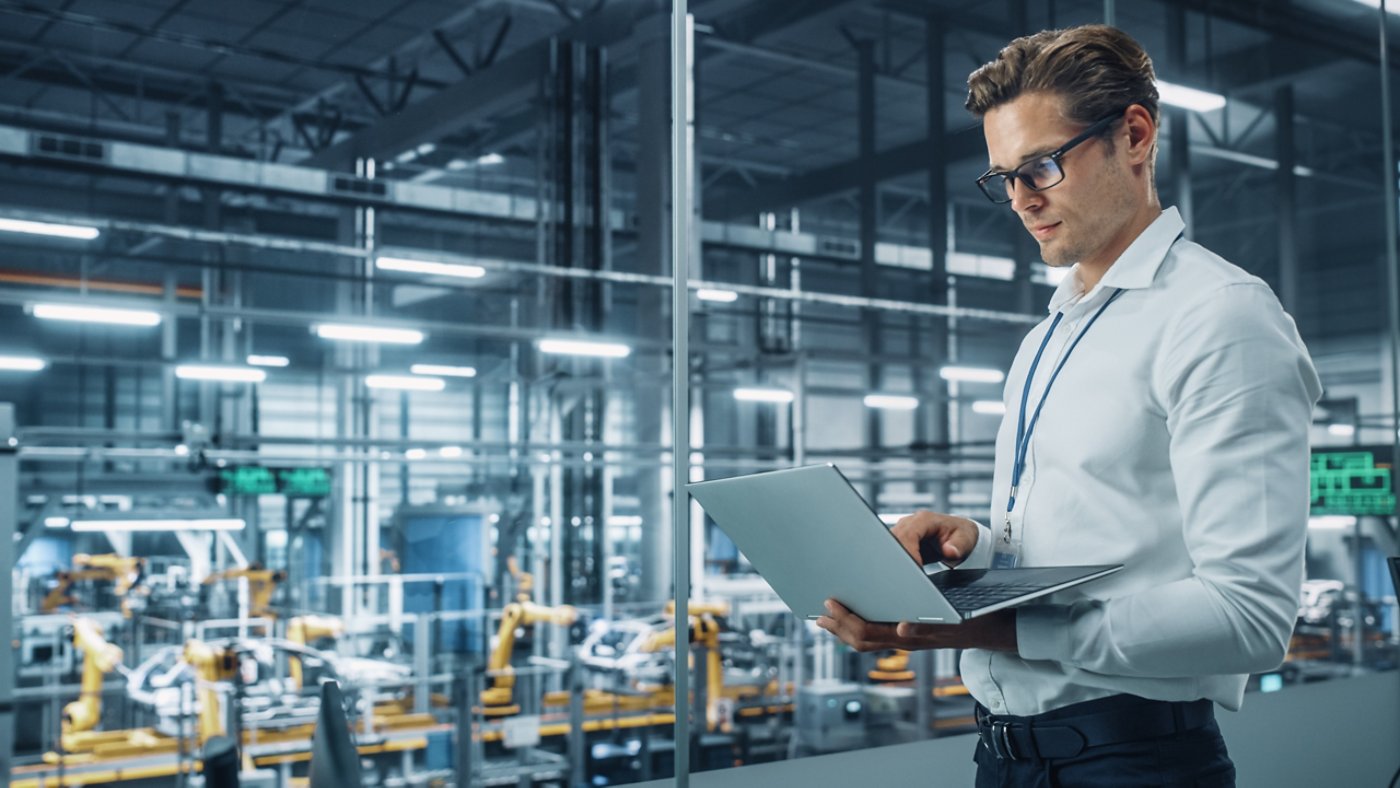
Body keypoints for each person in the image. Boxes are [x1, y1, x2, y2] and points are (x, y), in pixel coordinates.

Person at [815, 24, 1321, 787]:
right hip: (1008, 758)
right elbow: (1092, 543)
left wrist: (995, 627)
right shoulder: (1049, 335)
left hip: (1132, 762)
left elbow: (1249, 619)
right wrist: (976, 546)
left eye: (1042, 166)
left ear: (1135, 136)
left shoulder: (1219, 316)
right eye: (1003, 178)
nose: (1020, 200)